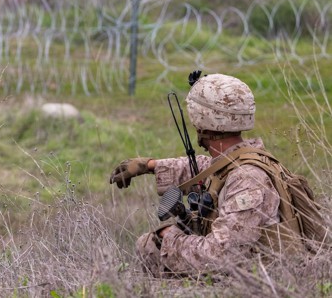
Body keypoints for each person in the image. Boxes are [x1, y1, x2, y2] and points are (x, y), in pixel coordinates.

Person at [109, 73, 317, 277]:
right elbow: (206, 167)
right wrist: (148, 165)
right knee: (149, 244)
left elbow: (220, 256)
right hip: (247, 268)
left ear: (202, 120)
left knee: (152, 246)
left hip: (256, 282)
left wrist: (170, 238)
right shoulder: (239, 159)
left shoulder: (248, 179)